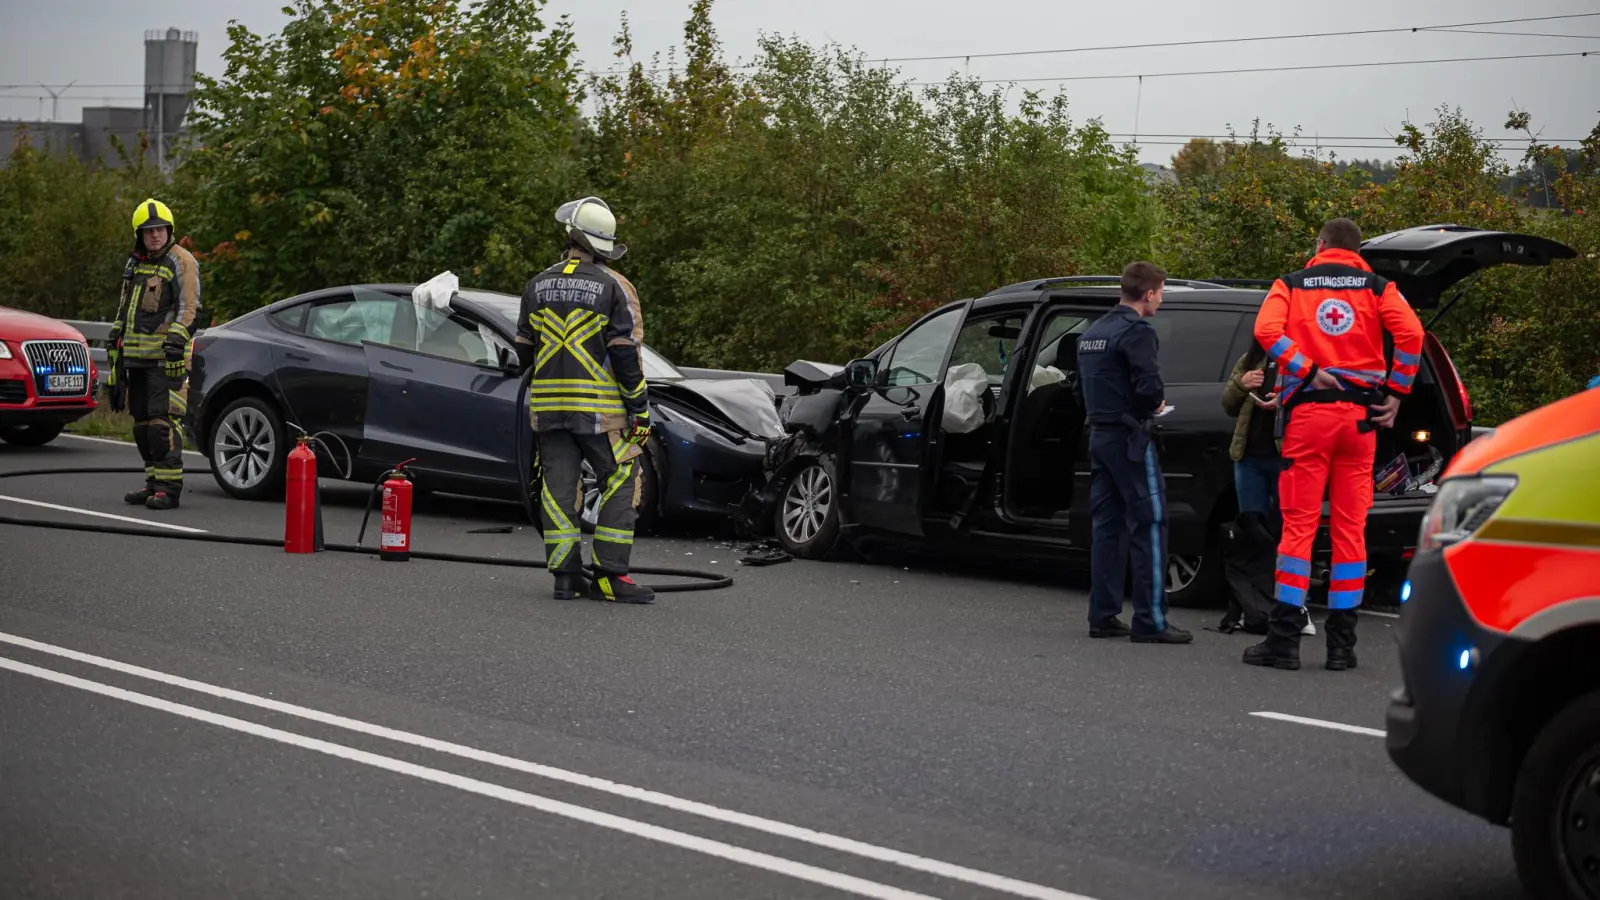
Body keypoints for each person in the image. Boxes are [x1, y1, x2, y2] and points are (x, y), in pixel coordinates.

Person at [1246, 217, 1424, 671]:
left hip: (1310, 416)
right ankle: (1341, 646)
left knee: (1299, 527)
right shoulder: (1377, 286)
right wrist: (1397, 394)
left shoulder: (1290, 284)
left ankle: (1284, 641)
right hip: (1361, 419)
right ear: (1357, 250)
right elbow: (1412, 335)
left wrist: (1305, 368)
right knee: (1350, 529)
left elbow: (1267, 332)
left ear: (1319, 243)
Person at [515, 196, 655, 604]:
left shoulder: (536, 284)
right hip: (599, 411)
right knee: (622, 480)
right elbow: (626, 354)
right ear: (604, 247)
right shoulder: (612, 286)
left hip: (547, 409)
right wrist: (639, 408)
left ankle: (565, 577)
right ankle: (611, 576)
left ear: (572, 236)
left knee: (558, 490)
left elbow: (524, 352)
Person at [1074, 261, 1193, 644]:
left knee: (1107, 528)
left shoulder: (1094, 331)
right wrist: (1156, 404)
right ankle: (1151, 620)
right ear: (1149, 294)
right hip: (1130, 440)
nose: (1161, 299)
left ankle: (1103, 615)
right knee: (1151, 524)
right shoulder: (1137, 330)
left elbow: (1080, 390)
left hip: (1100, 436)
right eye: (1161, 292)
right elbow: (1149, 387)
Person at [107, 198, 202, 510]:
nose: (155, 235)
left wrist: (175, 341)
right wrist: (115, 348)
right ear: (139, 234)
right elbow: (125, 308)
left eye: (159, 229)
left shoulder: (181, 261)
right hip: (135, 359)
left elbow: (190, 309)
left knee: (163, 425)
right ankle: (152, 483)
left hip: (166, 361)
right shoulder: (135, 263)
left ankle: (169, 488)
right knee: (142, 425)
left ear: (169, 229)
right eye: (148, 231)